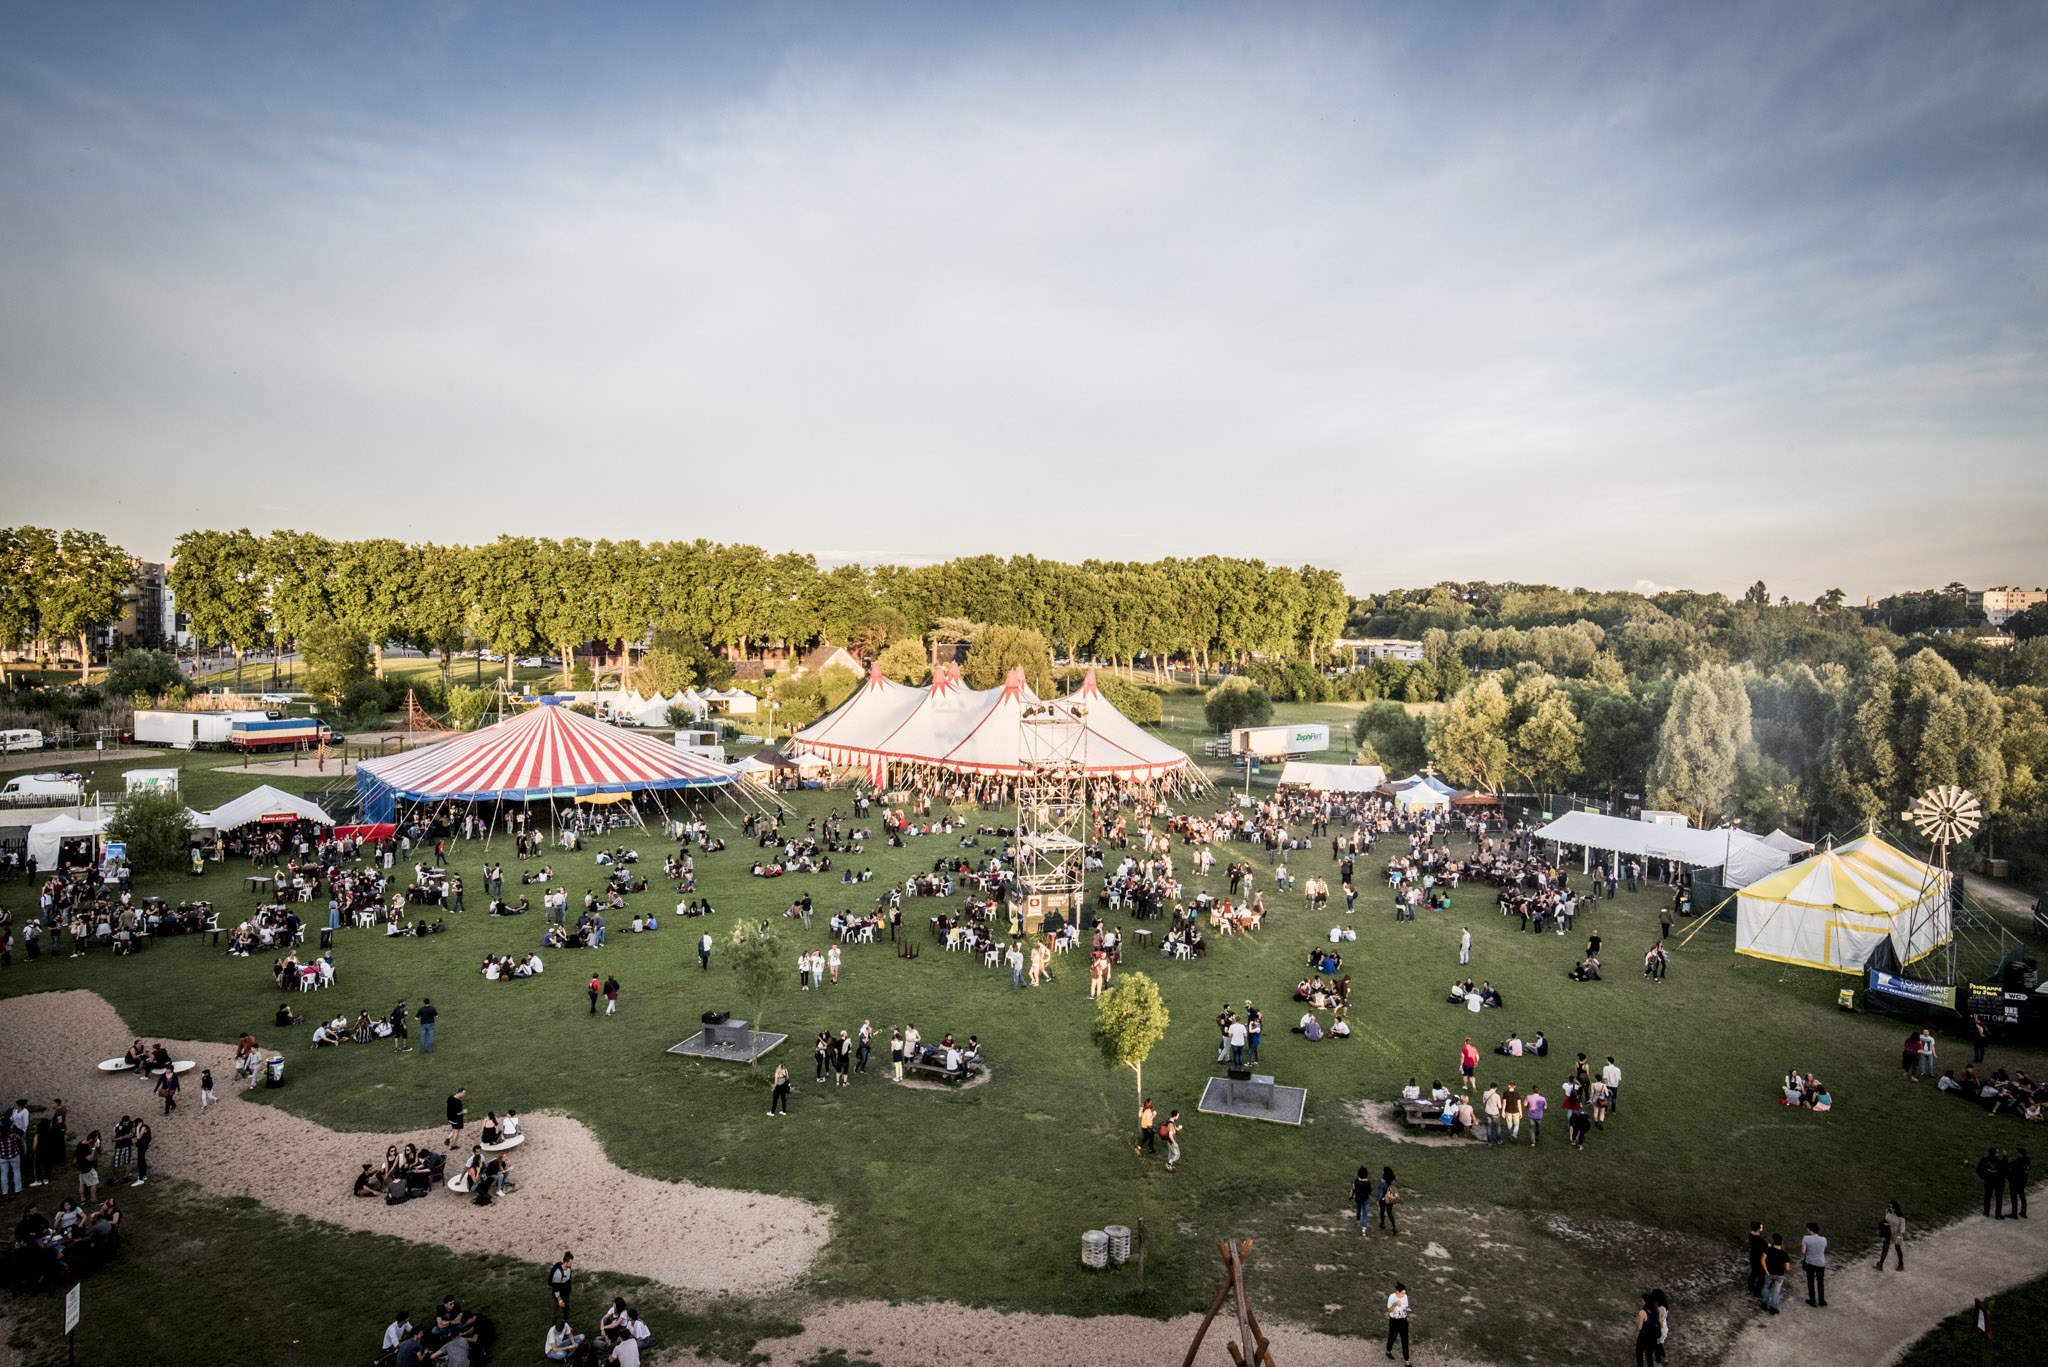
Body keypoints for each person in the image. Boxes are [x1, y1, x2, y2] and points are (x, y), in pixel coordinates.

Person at [1800, 1222, 1827, 1307]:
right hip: (1821, 1263)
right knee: (1820, 1282)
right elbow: (1824, 1249)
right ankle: (1821, 1300)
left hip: (1810, 1263)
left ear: (1810, 1230)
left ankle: (1812, 1300)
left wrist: (1809, 1251)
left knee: (1810, 1282)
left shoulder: (1806, 1238)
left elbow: (1803, 1251)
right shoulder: (1823, 1239)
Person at [1385, 1282, 1410, 1362]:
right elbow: (1389, 1310)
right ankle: (1388, 1351)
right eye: (1402, 1293)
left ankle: (1407, 1361)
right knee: (1392, 1337)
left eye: (1404, 1293)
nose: (1404, 1295)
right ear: (1397, 1292)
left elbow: (1405, 1306)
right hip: (1394, 1321)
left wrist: (1407, 1309)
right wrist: (1395, 1304)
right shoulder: (1392, 1297)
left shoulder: (1405, 1297)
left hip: (1403, 1320)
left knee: (1405, 1341)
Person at [1980, 1147, 2007, 1219]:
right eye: (1997, 1152)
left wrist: (1984, 1176)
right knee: (1999, 1198)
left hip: (1988, 1181)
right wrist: (2004, 1156)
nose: (1998, 1154)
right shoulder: (1998, 1162)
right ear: (1995, 1154)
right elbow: (2005, 1167)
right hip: (1999, 1182)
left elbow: (1979, 1170)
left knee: (1987, 1197)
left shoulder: (1984, 1160)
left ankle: (1986, 1212)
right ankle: (1998, 1214)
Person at [1876, 1201, 1905, 1270]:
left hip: (1897, 1235)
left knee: (1897, 1248)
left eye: (1891, 1207)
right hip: (1888, 1233)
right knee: (1885, 1248)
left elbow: (1902, 1231)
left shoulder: (1901, 1218)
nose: (1889, 1208)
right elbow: (1886, 1220)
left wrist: (1898, 1239)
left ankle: (1901, 1263)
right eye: (1889, 1206)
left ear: (1895, 1208)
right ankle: (1880, 1264)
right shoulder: (1887, 1211)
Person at [1633, 1291, 1658, 1367]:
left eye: (1643, 1300)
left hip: (1643, 1337)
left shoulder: (1642, 1312)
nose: (1642, 1301)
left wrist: (1638, 1320)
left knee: (1639, 1354)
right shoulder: (1655, 1311)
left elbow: (1640, 1327)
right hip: (1652, 1337)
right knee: (1649, 1356)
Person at [1351, 1165, 1374, 1236]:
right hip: (1365, 1199)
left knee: (1358, 1209)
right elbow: (1369, 1192)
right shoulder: (1368, 1183)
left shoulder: (1356, 1181)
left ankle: (1358, 1221)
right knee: (1365, 1214)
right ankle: (1364, 1229)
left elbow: (1354, 1189)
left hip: (1358, 1199)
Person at [2008, 1147, 2031, 1219]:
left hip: (2016, 1182)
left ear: (2020, 1154)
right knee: (2022, 1196)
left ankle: (2014, 1214)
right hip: (2023, 1182)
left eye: (2017, 1152)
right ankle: (2023, 1212)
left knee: (2014, 1197)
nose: (2016, 1153)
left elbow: (2012, 1166)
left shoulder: (2019, 1162)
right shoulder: (2027, 1162)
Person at [1377, 1166, 1399, 1233]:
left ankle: (1382, 1224)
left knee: (1382, 1211)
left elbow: (1380, 1192)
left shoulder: (1382, 1181)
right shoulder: (1393, 1180)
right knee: (1389, 1213)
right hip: (1390, 1198)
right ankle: (1393, 1226)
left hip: (1383, 1198)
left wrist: (1378, 1200)